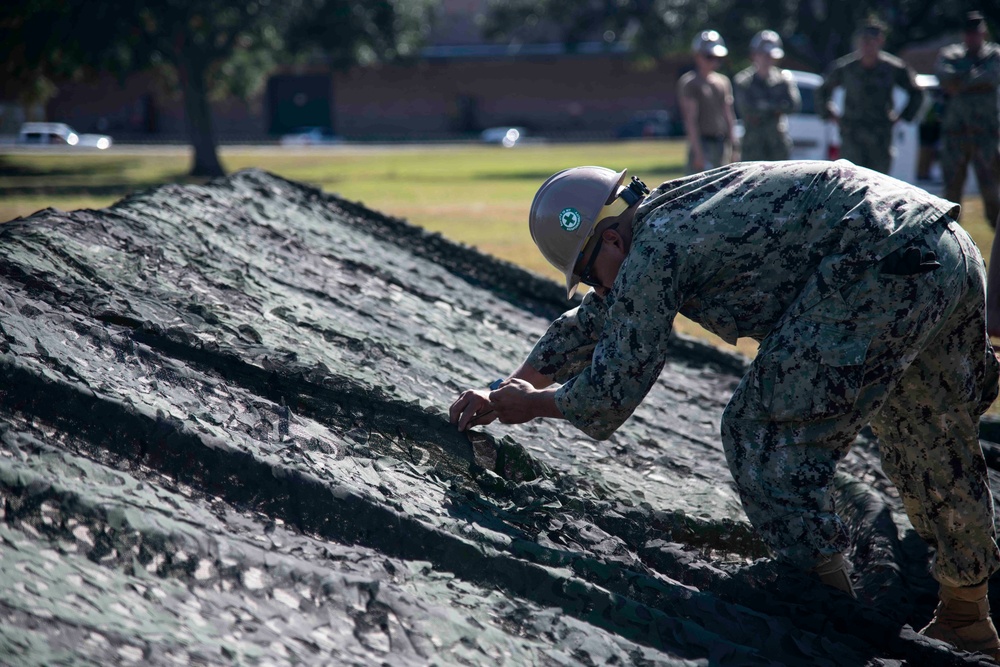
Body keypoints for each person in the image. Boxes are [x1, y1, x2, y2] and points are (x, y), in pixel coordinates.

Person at [450, 161, 1000, 660]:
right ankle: (966, 614)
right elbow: (596, 321)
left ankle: (831, 616)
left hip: (876, 264)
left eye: (591, 275)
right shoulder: (672, 210)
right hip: (943, 248)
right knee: (933, 440)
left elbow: (613, 388)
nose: (597, 288)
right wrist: (508, 389)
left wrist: (535, 405)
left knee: (759, 431)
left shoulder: (654, 249)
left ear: (611, 240)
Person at [817, 17, 925, 174]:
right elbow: (823, 89)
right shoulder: (847, 68)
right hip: (852, 134)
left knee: (878, 182)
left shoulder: (892, 68)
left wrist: (901, 117)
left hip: (880, 136)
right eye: (864, 40)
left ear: (880, 41)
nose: (867, 45)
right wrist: (830, 113)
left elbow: (916, 92)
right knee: (851, 180)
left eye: (871, 40)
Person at [936, 10, 1000, 228]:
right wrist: (975, 78)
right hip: (956, 135)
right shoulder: (950, 54)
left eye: (977, 33)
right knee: (951, 195)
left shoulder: (995, 54)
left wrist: (962, 80)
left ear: (984, 33)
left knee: (993, 194)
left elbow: (991, 78)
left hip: (986, 136)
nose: (973, 38)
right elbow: (946, 79)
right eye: (969, 33)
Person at [733, 30, 801, 161]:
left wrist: (763, 106)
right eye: (764, 55)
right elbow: (746, 109)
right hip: (753, 145)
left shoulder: (784, 79)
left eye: (771, 56)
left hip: (777, 144)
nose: (767, 59)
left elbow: (793, 106)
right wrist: (775, 108)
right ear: (754, 55)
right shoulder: (743, 81)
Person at [678, 30, 738, 174]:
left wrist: (734, 146)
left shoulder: (723, 82)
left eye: (717, 58)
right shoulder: (690, 83)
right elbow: (690, 120)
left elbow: (728, 115)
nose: (714, 61)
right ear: (697, 56)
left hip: (720, 143)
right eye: (709, 57)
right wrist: (698, 153)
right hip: (702, 143)